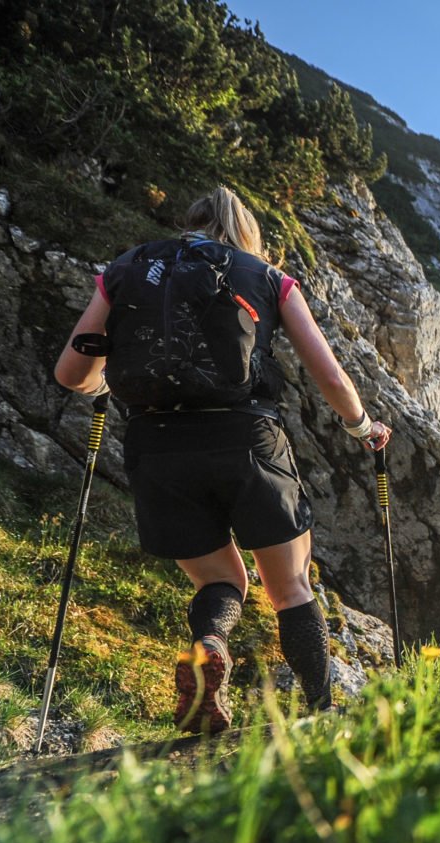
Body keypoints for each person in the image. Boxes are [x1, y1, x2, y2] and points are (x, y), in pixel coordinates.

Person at [54, 186, 391, 734]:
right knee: (290, 586)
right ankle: (324, 712)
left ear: (190, 222)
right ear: (244, 235)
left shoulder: (129, 268)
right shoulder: (265, 276)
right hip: (246, 441)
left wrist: (101, 388)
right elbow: (329, 374)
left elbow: (73, 373)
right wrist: (363, 427)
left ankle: (210, 644)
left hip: (157, 446)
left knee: (222, 581)